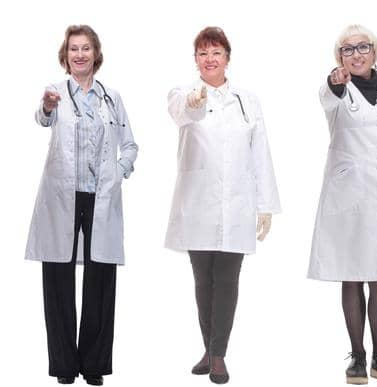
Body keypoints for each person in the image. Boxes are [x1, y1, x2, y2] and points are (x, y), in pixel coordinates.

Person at [165, 26, 282, 385]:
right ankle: (209, 347)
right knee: (203, 283)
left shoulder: (247, 100)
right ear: (195, 60)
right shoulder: (183, 93)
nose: (210, 59)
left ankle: (218, 355)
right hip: (197, 204)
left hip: (237, 205)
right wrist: (193, 103)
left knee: (227, 281)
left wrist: (265, 206)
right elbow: (181, 112)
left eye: (216, 53)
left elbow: (259, 152)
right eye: (203, 53)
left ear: (228, 58)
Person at [308, 24, 377, 385]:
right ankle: (357, 355)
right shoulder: (339, 94)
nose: (356, 53)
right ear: (339, 57)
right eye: (347, 49)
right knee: (353, 277)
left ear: (375, 52)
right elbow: (328, 94)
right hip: (350, 198)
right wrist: (335, 82)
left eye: (363, 47)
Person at [27, 24, 139, 386]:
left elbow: (131, 146)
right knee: (57, 277)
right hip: (62, 195)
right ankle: (63, 366)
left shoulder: (112, 97)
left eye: (86, 48)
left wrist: (118, 173)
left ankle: (93, 365)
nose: (79, 54)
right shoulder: (55, 93)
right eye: (73, 49)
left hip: (100, 196)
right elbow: (43, 118)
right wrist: (46, 107)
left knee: (100, 279)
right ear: (66, 55)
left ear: (95, 54)